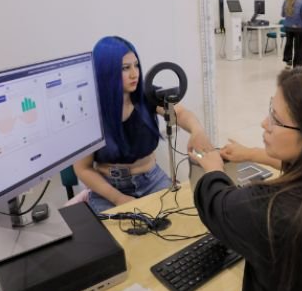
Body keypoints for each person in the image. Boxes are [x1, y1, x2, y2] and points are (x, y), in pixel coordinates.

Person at [193, 68, 302, 291]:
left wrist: (213, 168)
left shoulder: (270, 210)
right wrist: (250, 153)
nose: (264, 123)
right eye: (270, 109)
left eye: (275, 118)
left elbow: (216, 204)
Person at [74, 36, 214, 214]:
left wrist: (197, 130)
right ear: (106, 72)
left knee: (180, 222)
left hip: (151, 180)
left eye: (136, 65)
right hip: (108, 189)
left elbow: (181, 113)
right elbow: (82, 168)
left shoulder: (147, 95)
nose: (135, 74)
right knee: (119, 238)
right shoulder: (89, 111)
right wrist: (118, 198)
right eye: (126, 68)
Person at [281, 0, 302, 68]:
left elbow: (282, 14)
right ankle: (297, 65)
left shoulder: (286, 1)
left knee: (288, 43)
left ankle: (288, 61)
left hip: (288, 27)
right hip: (298, 28)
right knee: (298, 46)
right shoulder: (301, 2)